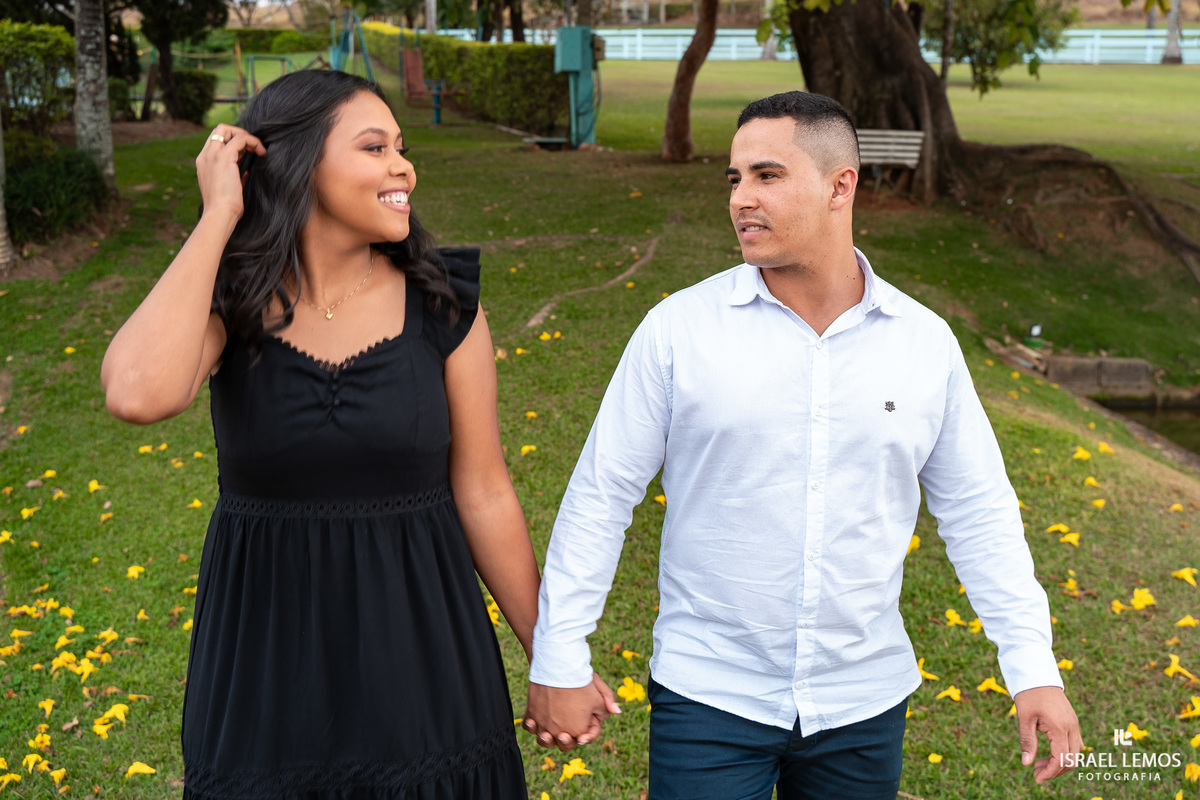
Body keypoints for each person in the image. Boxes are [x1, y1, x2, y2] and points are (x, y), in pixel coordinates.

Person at [523, 91, 1083, 798]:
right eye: (734, 179)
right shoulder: (679, 330)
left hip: (864, 705)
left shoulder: (924, 344)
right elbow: (601, 497)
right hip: (710, 697)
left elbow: (978, 511)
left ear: (839, 185)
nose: (740, 199)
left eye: (766, 175)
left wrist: (1032, 666)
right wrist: (560, 654)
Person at [101, 69, 568, 799]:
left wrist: (554, 657)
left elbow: (483, 491)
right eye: (375, 147)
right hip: (265, 668)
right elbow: (136, 394)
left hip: (422, 661)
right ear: (297, 165)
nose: (403, 167)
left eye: (402, 148)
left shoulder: (445, 306)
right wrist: (219, 214)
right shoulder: (230, 304)